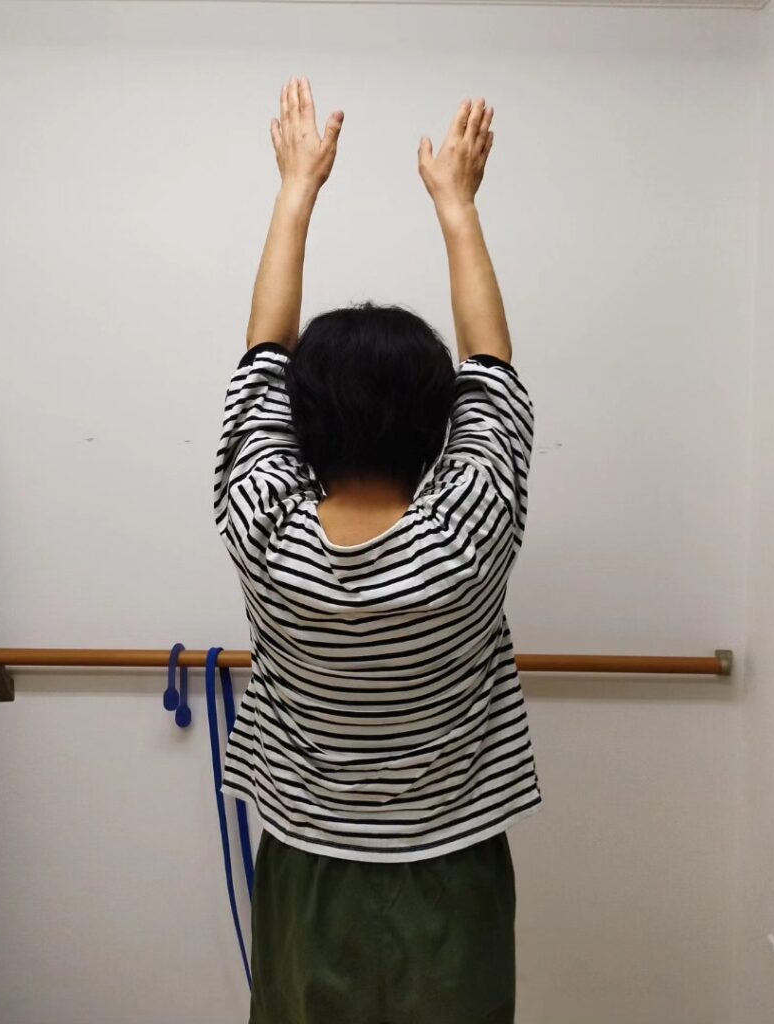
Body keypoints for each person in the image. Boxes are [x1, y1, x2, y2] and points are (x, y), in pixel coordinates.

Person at [214, 76, 541, 1024]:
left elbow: (261, 359)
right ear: (442, 426)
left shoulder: (261, 524)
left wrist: (295, 192)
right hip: (456, 875)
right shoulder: (470, 531)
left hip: (307, 872)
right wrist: (458, 207)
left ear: (298, 424)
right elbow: (493, 370)